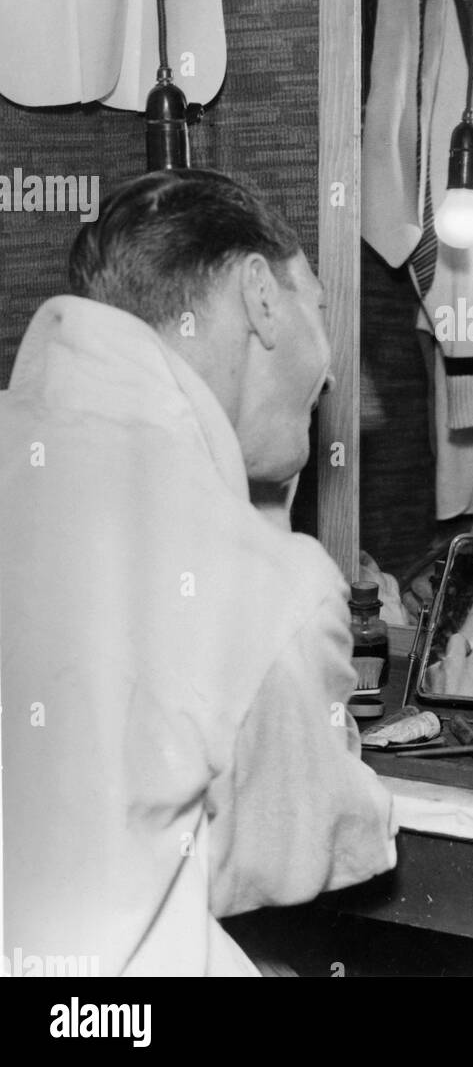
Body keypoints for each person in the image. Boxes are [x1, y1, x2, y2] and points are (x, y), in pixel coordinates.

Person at [0, 169, 396, 977]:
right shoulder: (259, 578)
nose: (327, 374)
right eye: (318, 308)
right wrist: (265, 525)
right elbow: (301, 855)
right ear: (260, 295)